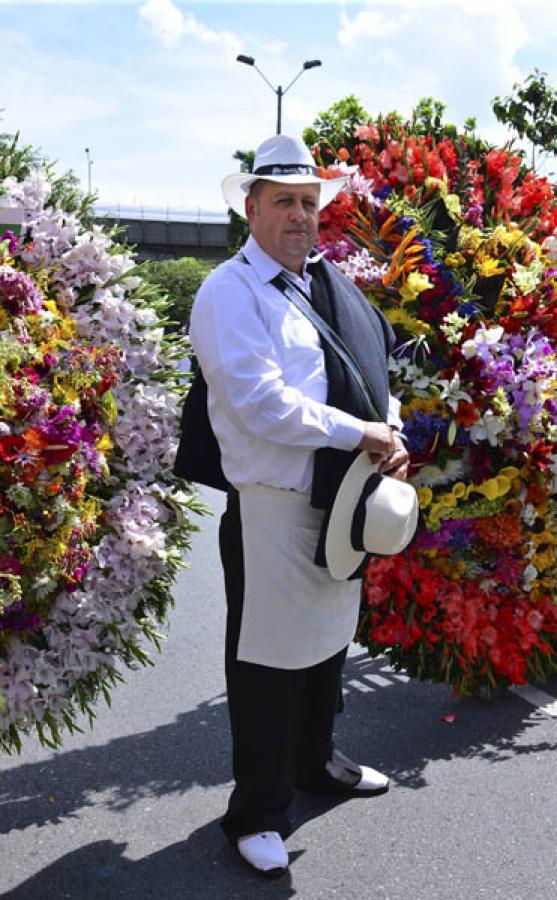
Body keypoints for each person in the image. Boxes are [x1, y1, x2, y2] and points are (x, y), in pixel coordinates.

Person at [188, 134, 410, 877]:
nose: (298, 216)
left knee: (323, 652)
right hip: (271, 507)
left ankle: (316, 765)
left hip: (337, 495)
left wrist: (392, 427)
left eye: (309, 203)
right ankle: (254, 811)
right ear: (248, 208)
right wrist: (362, 432)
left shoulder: (327, 282)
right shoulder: (228, 291)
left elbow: (372, 366)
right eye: (282, 201)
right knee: (266, 666)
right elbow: (259, 404)